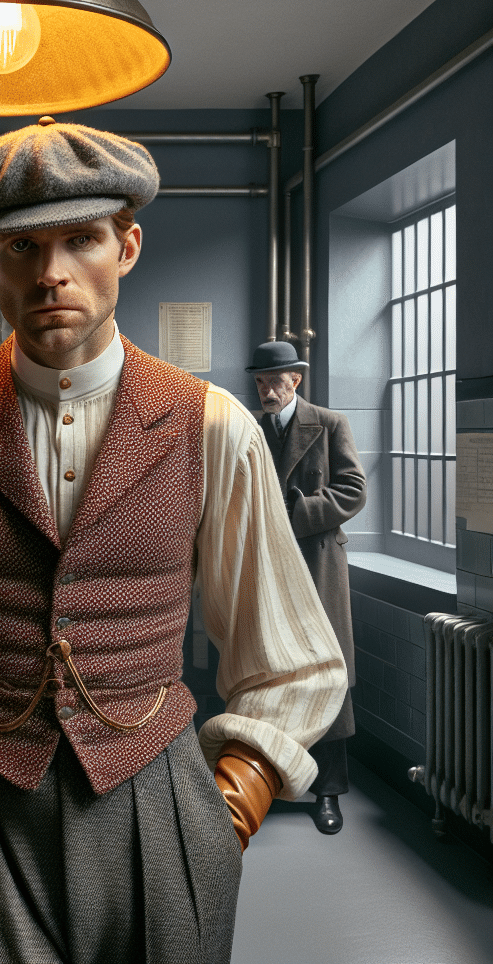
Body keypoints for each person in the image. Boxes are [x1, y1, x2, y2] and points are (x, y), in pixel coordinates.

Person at [0, 119, 347, 963]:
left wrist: (232, 799)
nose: (51, 274)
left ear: (127, 246)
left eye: (81, 239)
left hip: (160, 798)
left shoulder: (211, 426)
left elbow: (291, 655)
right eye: (21, 247)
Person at [249, 340, 367, 835]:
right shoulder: (251, 428)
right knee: (275, 673)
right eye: (260, 382)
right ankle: (274, 783)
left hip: (318, 566)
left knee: (328, 674)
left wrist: (296, 514)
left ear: (296, 379)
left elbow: (354, 490)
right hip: (269, 568)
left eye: (275, 382)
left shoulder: (330, 423)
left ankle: (329, 793)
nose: (267, 390)